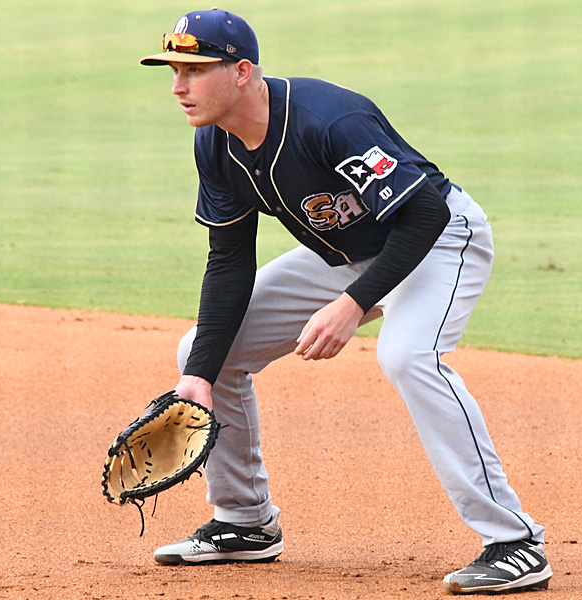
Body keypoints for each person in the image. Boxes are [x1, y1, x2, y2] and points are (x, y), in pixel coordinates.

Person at [139, 8, 552, 595]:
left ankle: (515, 542)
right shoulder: (215, 144)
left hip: (439, 240)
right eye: (174, 71)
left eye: (195, 70)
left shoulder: (328, 119)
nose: (178, 86)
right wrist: (198, 377)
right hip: (348, 254)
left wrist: (353, 304)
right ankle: (245, 522)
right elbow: (229, 261)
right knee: (200, 353)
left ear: (242, 72)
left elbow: (424, 213)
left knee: (408, 356)